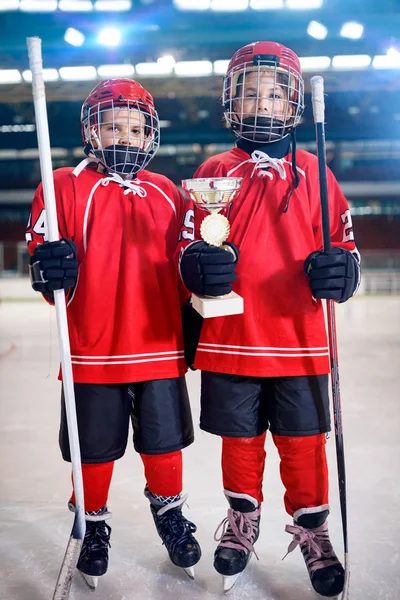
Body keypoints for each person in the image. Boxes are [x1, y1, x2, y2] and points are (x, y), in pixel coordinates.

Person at [179, 42, 360, 595]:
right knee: (240, 441)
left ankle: (313, 529)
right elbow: (189, 244)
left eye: (274, 93)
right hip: (231, 339)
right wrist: (196, 264)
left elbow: (344, 245)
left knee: (304, 442)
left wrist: (342, 271)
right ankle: (242, 520)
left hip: (299, 340)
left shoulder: (317, 174)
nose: (262, 102)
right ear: (231, 100)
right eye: (250, 91)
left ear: (293, 105)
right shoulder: (214, 172)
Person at [26, 78, 201, 588]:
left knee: (164, 443)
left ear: (150, 135)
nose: (123, 137)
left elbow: (183, 267)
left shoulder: (170, 192)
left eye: (134, 127)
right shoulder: (60, 185)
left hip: (157, 346)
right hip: (91, 347)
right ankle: (94, 522)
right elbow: (47, 270)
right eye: (111, 126)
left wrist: (203, 270)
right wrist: (48, 269)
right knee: (94, 448)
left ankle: (170, 515)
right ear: (91, 131)